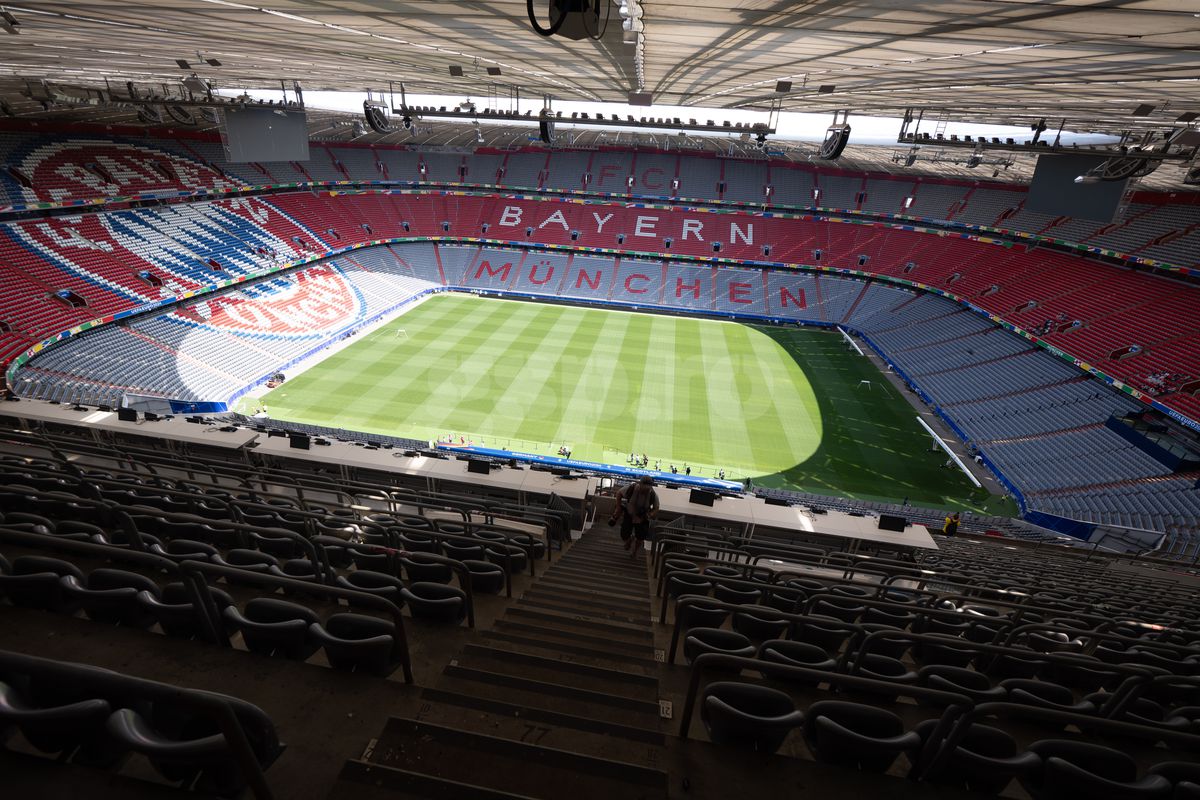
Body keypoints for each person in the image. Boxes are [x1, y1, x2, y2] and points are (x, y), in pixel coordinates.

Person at [609, 476, 659, 559]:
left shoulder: (653, 495)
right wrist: (618, 507)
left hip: (642, 517)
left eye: (647, 489)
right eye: (643, 488)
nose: (645, 490)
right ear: (640, 484)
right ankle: (629, 540)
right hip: (630, 513)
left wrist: (649, 515)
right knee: (624, 534)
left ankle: (635, 551)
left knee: (640, 537)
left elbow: (656, 508)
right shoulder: (631, 488)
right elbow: (619, 493)